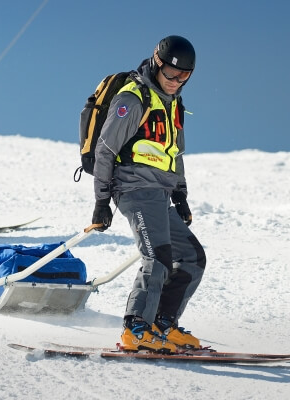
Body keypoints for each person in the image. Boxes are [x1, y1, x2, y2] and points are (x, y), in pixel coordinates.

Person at [91, 35, 206, 353]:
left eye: (185, 76)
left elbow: (174, 152)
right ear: (157, 63)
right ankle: (136, 327)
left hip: (161, 192)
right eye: (171, 74)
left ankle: (162, 324)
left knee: (193, 259)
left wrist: (180, 195)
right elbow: (106, 148)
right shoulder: (134, 97)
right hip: (133, 188)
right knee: (157, 259)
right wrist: (102, 200)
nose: (177, 81)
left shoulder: (173, 104)